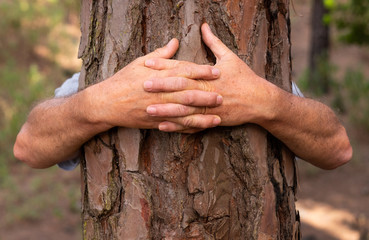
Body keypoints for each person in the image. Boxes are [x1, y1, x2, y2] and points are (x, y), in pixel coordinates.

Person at [13, 23, 352, 170]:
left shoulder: (253, 74)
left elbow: (337, 148)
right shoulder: (105, 77)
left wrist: (268, 102)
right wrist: (99, 104)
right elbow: (28, 147)